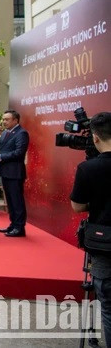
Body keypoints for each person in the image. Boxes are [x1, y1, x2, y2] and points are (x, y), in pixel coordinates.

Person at [70, 112, 111, 343]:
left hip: (104, 245)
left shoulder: (88, 168)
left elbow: (77, 206)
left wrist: (96, 203)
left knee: (108, 307)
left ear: (95, 137)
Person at [0, 110, 30, 237]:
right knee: (10, 201)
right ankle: (13, 224)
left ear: (15, 120)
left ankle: (19, 227)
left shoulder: (21, 133)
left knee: (16, 200)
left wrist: (1, 156)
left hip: (15, 172)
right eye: (3, 119)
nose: (4, 122)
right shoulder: (5, 132)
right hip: (5, 171)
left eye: (7, 119)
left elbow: (19, 152)